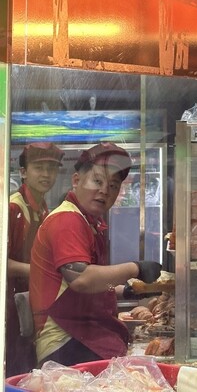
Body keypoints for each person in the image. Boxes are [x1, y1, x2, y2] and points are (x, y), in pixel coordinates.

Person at [29, 142, 162, 367]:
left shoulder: (88, 222)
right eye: (98, 181)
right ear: (76, 180)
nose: (105, 191)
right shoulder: (67, 220)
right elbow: (81, 279)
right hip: (64, 342)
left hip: (82, 334)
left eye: (113, 185)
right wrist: (135, 268)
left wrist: (126, 290)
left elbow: (91, 286)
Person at [6, 142, 65, 376]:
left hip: (30, 302)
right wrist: (42, 271)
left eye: (51, 168)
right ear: (23, 172)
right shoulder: (13, 208)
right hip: (10, 307)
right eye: (39, 168)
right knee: (15, 369)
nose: (46, 174)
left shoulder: (42, 208)